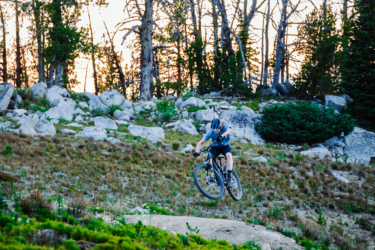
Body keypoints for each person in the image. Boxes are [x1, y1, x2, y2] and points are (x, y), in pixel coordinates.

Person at [193, 118, 234, 187]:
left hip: (225, 146)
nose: (216, 132)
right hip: (215, 147)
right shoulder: (211, 132)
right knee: (209, 159)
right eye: (214, 130)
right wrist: (196, 152)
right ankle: (217, 177)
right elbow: (200, 142)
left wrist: (221, 136)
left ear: (220, 127)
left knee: (229, 155)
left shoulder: (224, 127)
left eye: (217, 130)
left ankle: (229, 176)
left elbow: (230, 130)